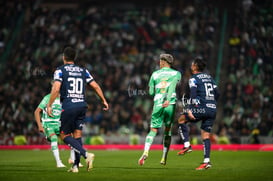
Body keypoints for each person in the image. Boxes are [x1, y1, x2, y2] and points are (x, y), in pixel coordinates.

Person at [46, 47, 109, 173]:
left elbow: (56, 88)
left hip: (69, 105)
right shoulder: (83, 70)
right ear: (74, 58)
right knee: (77, 135)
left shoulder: (60, 70)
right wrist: (103, 100)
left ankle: (86, 154)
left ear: (64, 57)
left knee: (63, 135)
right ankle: (75, 166)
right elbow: (95, 86)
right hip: (82, 105)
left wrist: (49, 104)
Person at [138, 53, 181, 166]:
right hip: (170, 104)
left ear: (163, 62)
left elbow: (151, 92)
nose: (159, 62)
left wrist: (155, 88)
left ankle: (146, 151)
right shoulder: (177, 73)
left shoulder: (155, 74)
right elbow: (173, 86)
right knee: (168, 130)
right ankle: (163, 158)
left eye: (160, 61)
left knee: (153, 130)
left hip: (158, 104)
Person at [177, 57, 219, 170]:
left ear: (195, 66)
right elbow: (217, 93)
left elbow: (193, 94)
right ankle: (207, 161)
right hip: (212, 109)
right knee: (205, 135)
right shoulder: (210, 78)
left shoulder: (193, 78)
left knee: (181, 119)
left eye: (192, 64)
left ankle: (187, 145)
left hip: (201, 108)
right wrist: (212, 103)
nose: (191, 66)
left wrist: (190, 108)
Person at [34, 93, 66, 168]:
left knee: (71, 138)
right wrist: (40, 125)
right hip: (48, 124)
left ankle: (75, 160)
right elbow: (37, 111)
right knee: (54, 138)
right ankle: (58, 162)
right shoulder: (48, 98)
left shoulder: (64, 99)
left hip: (59, 124)